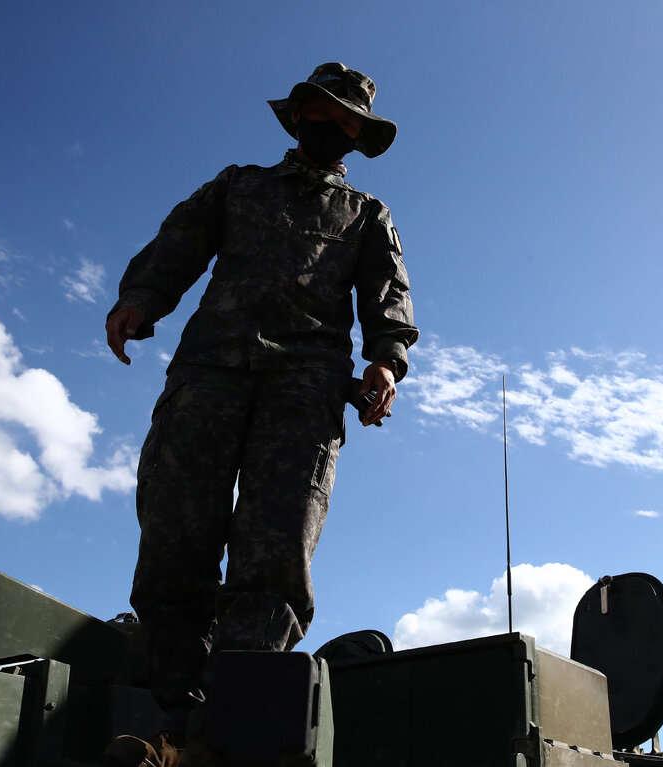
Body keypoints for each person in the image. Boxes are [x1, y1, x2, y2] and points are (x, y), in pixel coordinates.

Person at [102, 62, 418, 766]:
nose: (336, 129)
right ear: (300, 111)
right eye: (327, 113)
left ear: (359, 139)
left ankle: (230, 732)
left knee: (274, 556)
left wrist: (386, 361)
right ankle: (172, 722)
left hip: (302, 393)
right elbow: (178, 245)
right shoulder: (237, 185)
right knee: (174, 535)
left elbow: (388, 300)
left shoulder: (366, 215)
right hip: (210, 373)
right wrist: (141, 299)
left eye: (351, 125)